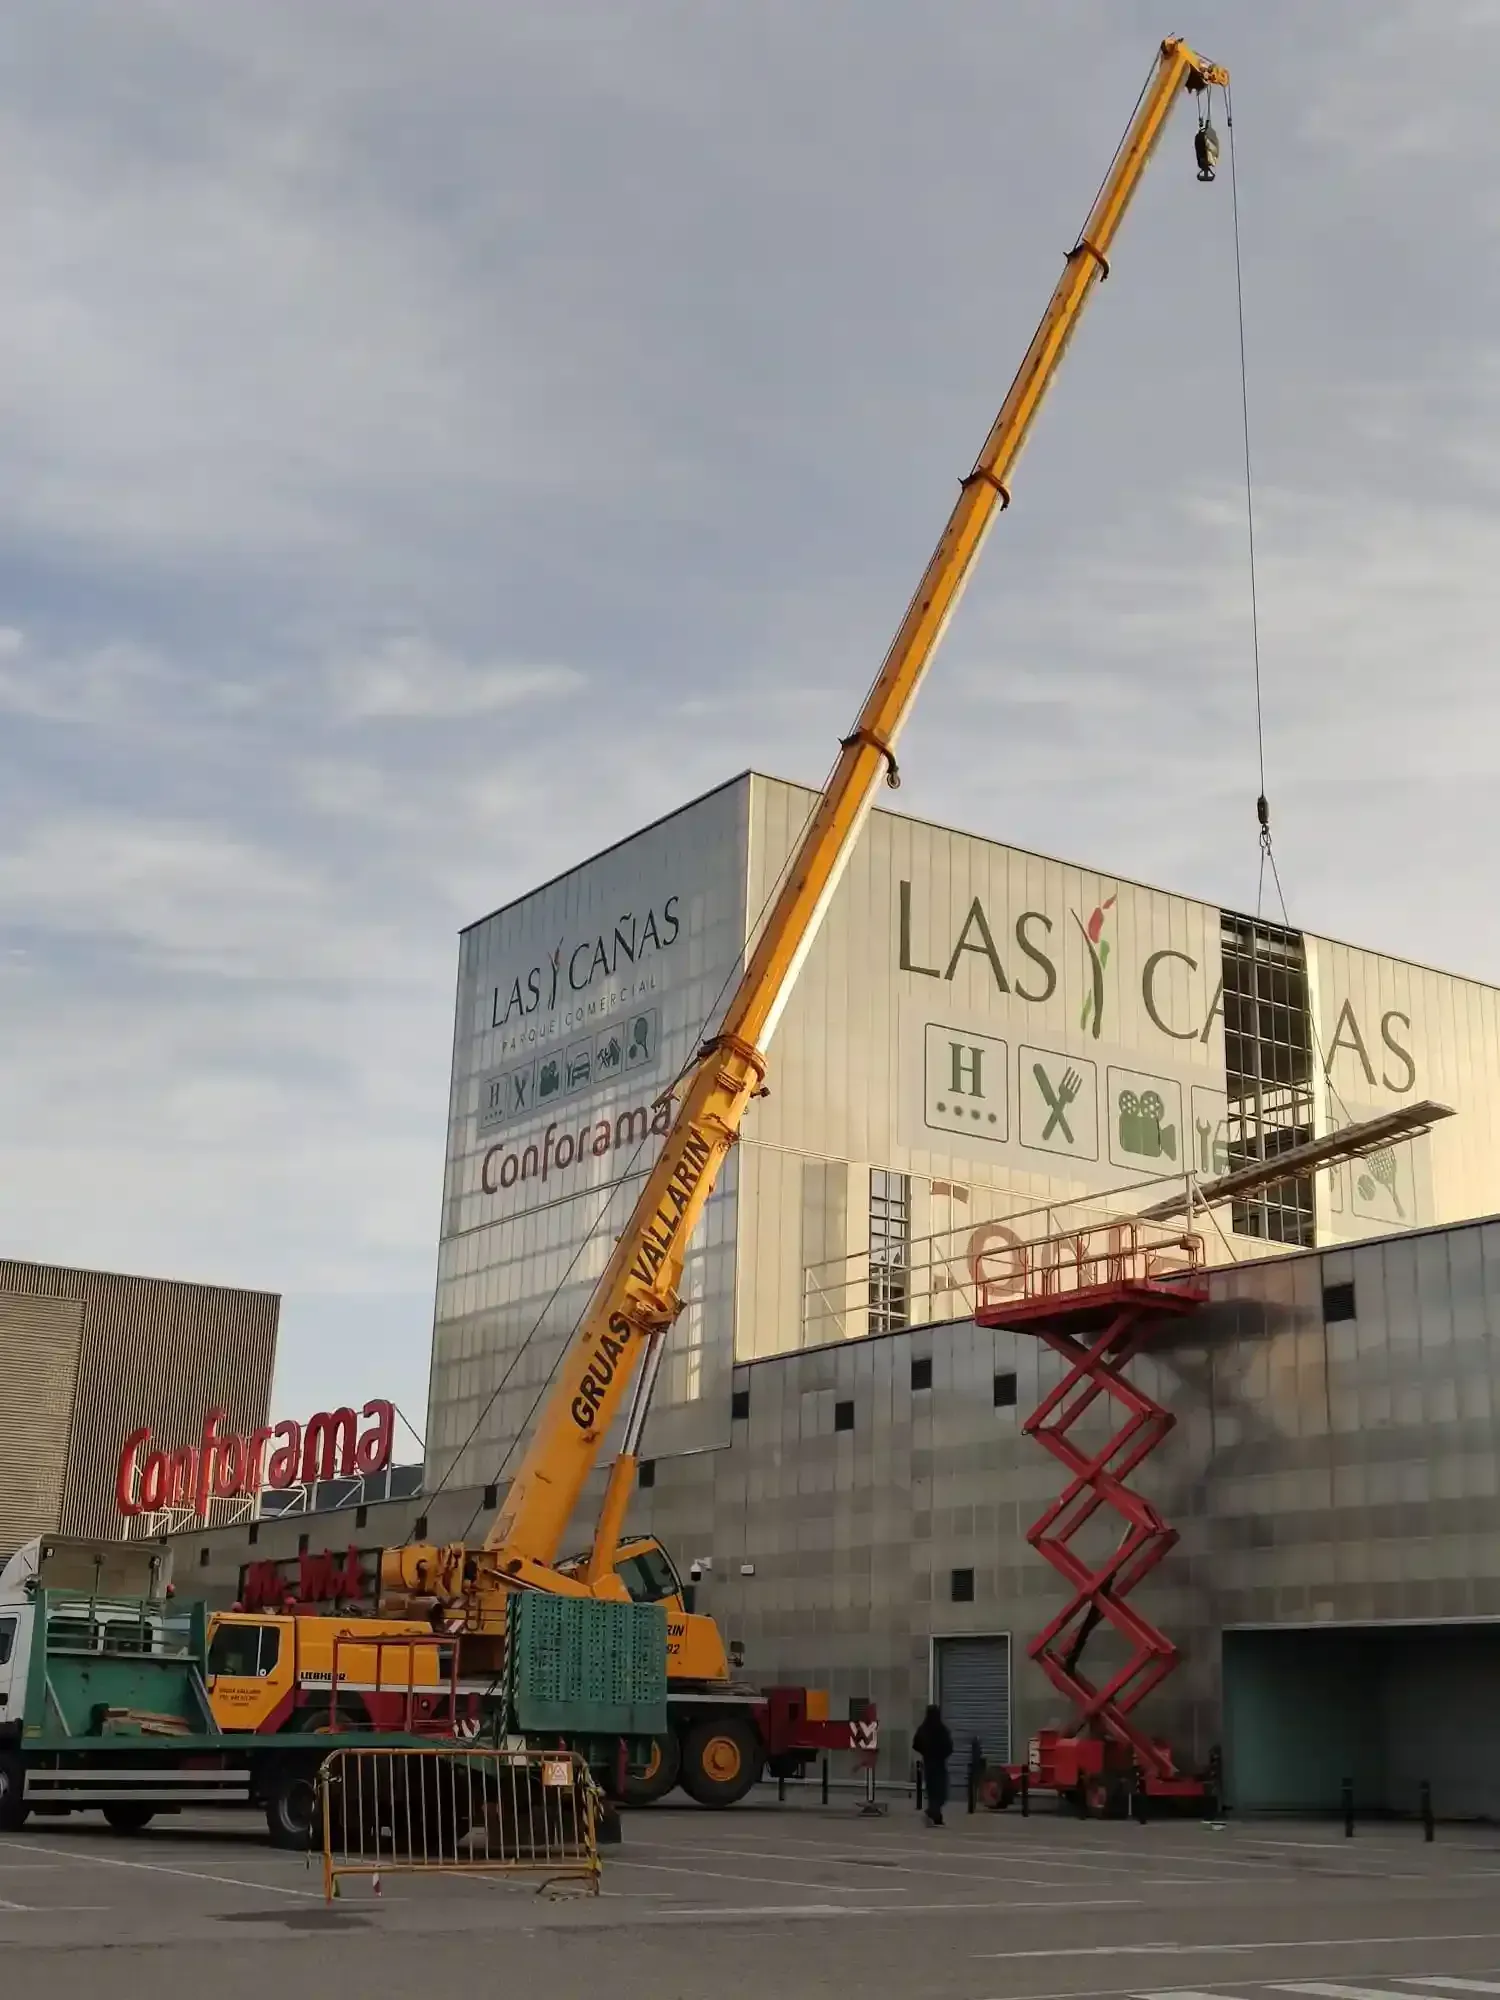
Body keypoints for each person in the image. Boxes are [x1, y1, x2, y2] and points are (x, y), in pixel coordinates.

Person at [913, 1703, 953, 1826]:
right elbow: (949, 1746)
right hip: (938, 1764)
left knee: (933, 1792)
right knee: (940, 1791)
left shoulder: (924, 1729)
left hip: (930, 1763)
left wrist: (926, 1752)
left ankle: (935, 1814)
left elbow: (916, 1744)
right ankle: (933, 1813)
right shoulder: (941, 1730)